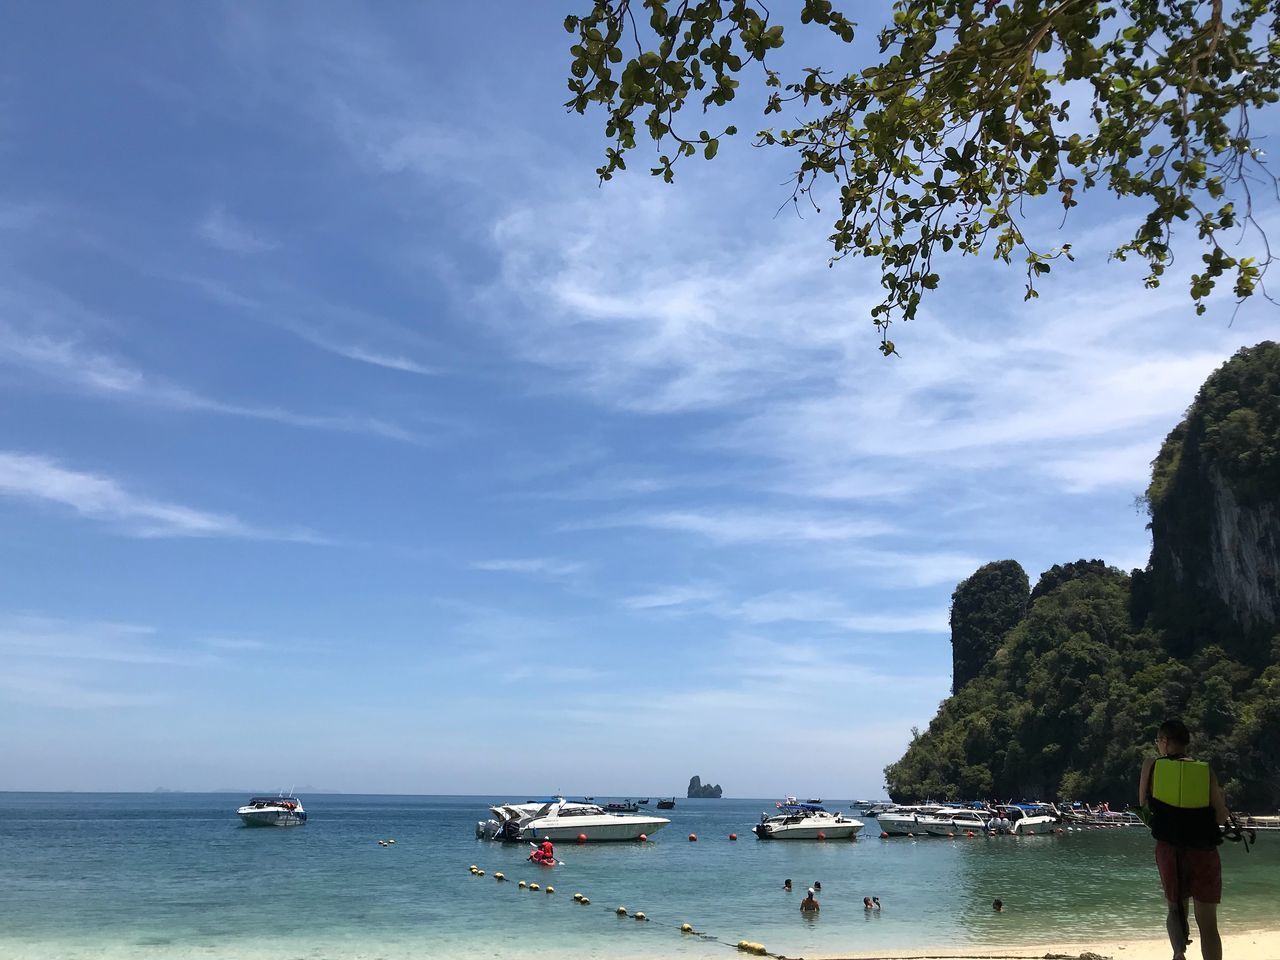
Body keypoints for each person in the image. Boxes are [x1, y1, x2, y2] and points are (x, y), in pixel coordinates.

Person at [1139, 719, 1231, 960]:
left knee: (1175, 909)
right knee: (1208, 923)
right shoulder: (1205, 770)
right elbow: (1221, 815)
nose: (1158, 745)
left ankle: (1179, 953)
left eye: (1158, 740)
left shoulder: (1152, 766)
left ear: (1166, 741)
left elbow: (1144, 807)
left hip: (1170, 850)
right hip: (1204, 851)